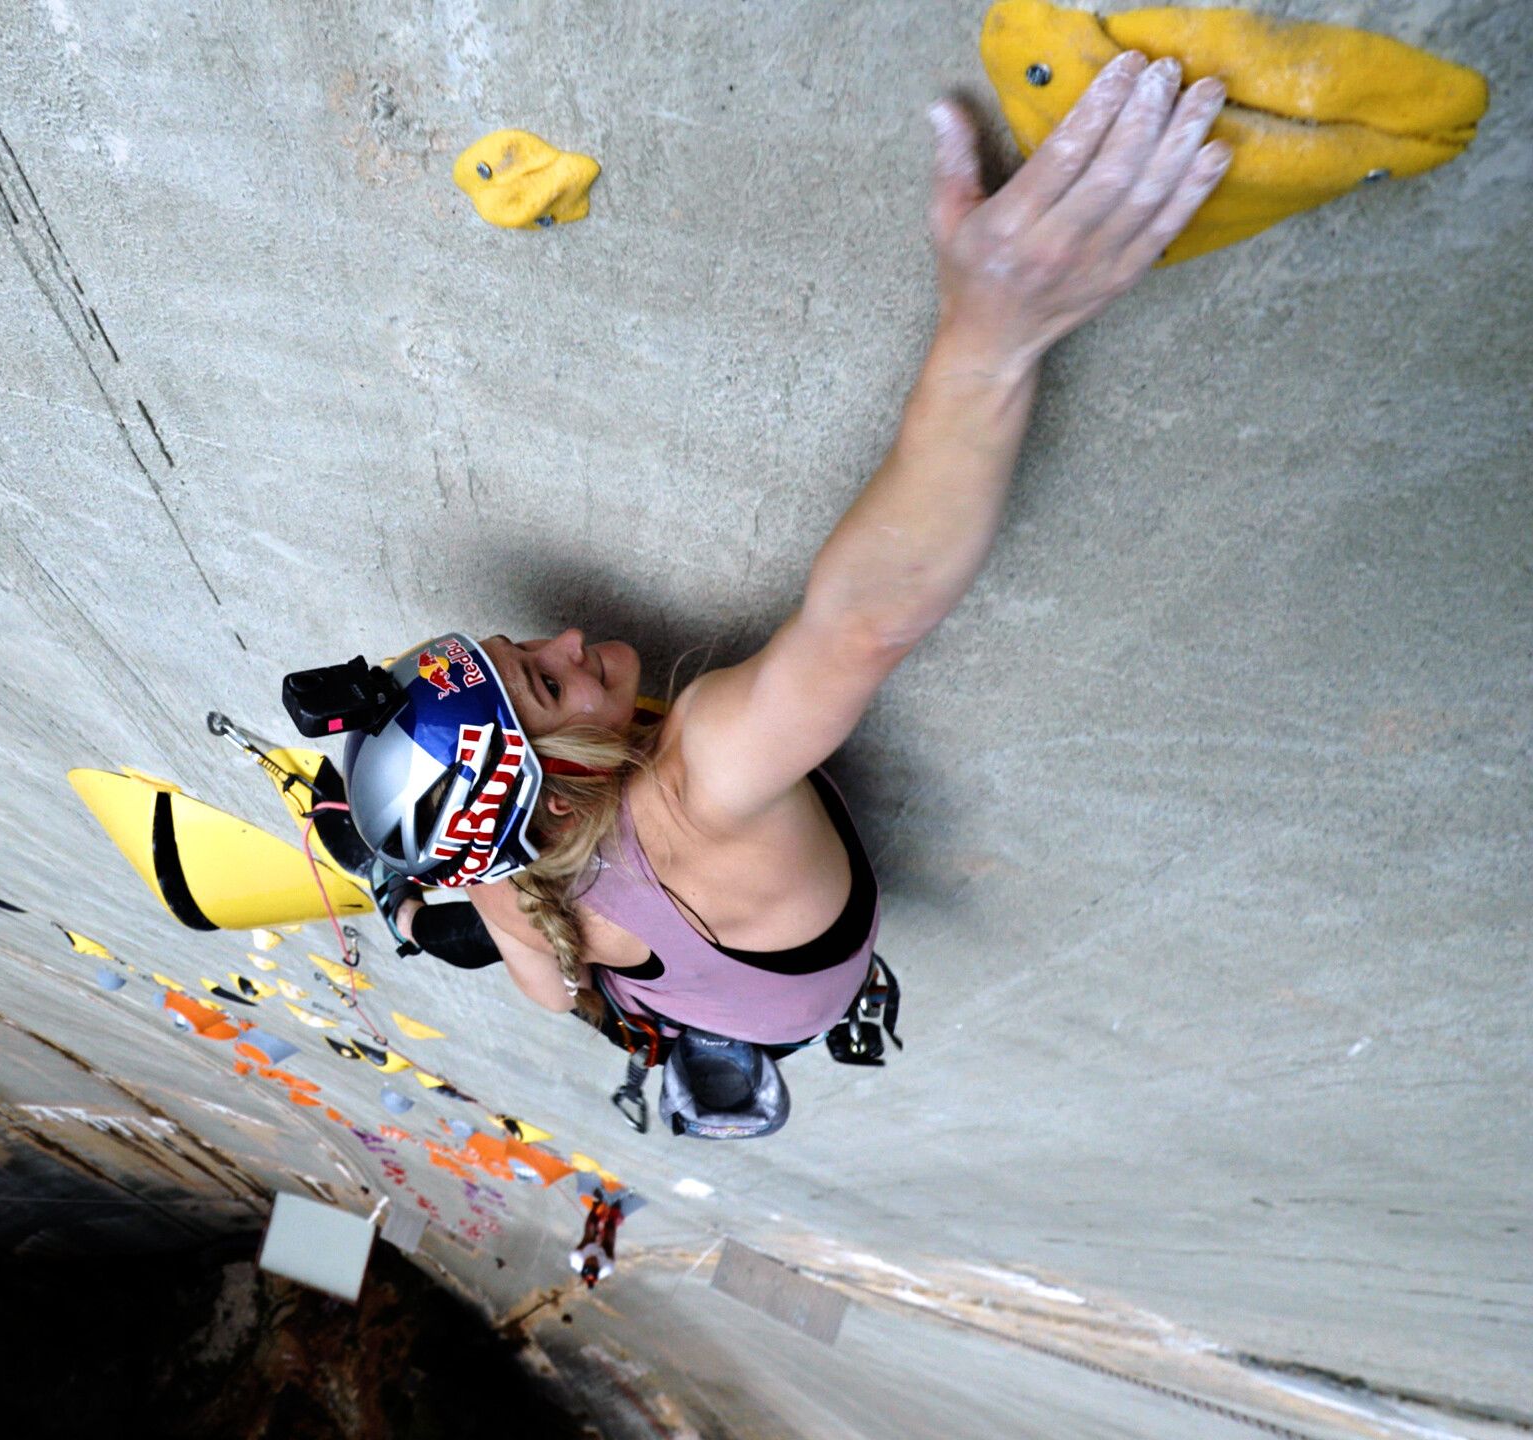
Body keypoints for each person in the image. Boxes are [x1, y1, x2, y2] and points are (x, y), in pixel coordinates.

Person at [315, 54, 1233, 1047]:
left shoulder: (505, 876)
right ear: (559, 785)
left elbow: (543, 979)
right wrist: (991, 331)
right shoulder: (699, 781)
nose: (572, 637)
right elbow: (863, 624)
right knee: (493, 939)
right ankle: (400, 898)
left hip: (667, 993)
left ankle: (402, 904)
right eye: (546, 682)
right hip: (729, 987)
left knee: (518, 960)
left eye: (526, 645)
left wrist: (419, 881)